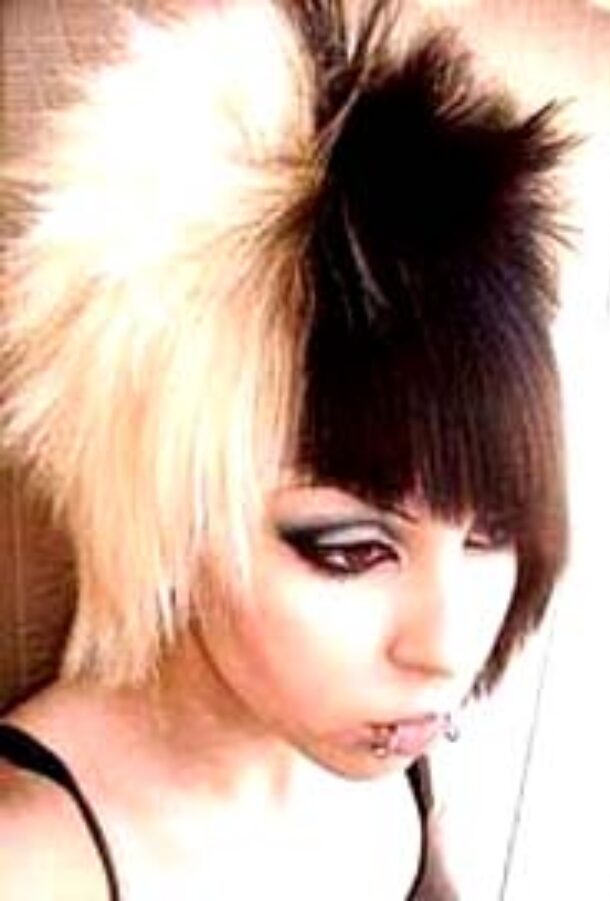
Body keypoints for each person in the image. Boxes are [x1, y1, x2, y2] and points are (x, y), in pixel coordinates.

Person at [0, 1, 573, 898]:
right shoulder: (35, 858)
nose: (447, 648)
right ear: (174, 496)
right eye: (352, 551)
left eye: (489, 535)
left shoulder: (378, 742)